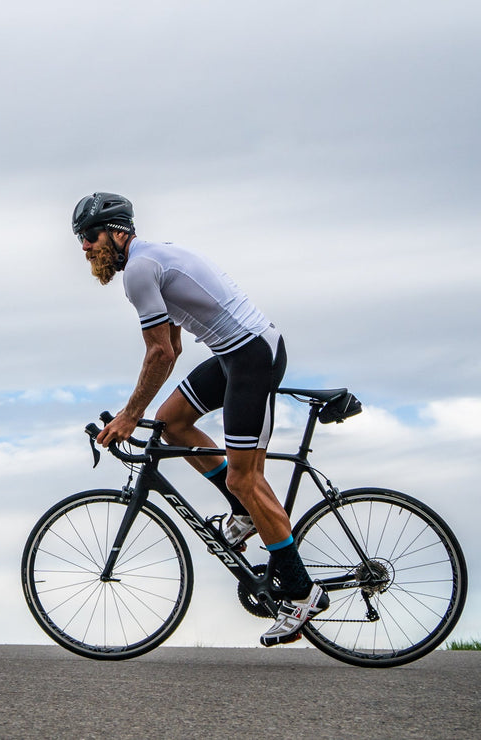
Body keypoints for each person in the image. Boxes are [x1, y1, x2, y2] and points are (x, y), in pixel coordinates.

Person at [71, 191, 329, 646]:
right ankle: (244, 513)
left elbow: (159, 353)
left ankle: (301, 592)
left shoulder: (140, 270)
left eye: (90, 236)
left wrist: (130, 416)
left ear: (116, 232)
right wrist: (139, 412)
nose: (86, 247)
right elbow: (171, 350)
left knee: (245, 479)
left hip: (252, 356)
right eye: (80, 240)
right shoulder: (149, 263)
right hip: (233, 356)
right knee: (171, 423)